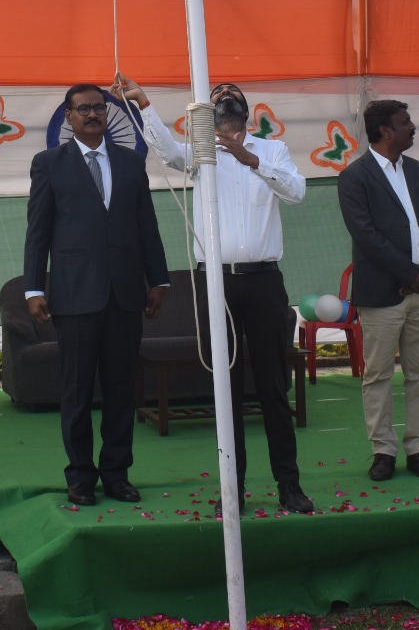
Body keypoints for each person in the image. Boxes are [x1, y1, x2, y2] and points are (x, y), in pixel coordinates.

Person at [113, 74, 313, 514]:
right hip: (216, 282)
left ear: (246, 110)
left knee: (273, 387)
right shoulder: (199, 152)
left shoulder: (272, 149)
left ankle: (289, 485)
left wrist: (250, 160)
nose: (225, 96)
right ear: (207, 111)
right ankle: (232, 491)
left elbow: (297, 192)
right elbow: (167, 152)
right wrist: (144, 103)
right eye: (218, 94)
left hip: (264, 281)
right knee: (226, 388)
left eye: (231, 93)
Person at [24, 83, 170, 506]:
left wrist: (158, 280)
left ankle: (117, 474)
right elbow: (38, 231)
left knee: (122, 389)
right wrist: (34, 287)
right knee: (76, 391)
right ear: (68, 117)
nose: (92, 114)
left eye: (99, 108)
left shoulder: (131, 162)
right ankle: (80, 477)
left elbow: (147, 226)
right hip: (74, 295)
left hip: (125, 294)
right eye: (83, 109)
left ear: (107, 114)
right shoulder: (49, 164)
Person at [335, 100, 419, 483]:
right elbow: (364, 234)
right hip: (382, 294)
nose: (412, 127)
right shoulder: (355, 176)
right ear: (385, 130)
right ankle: (382, 450)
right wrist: (407, 272)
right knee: (378, 374)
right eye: (405, 122)